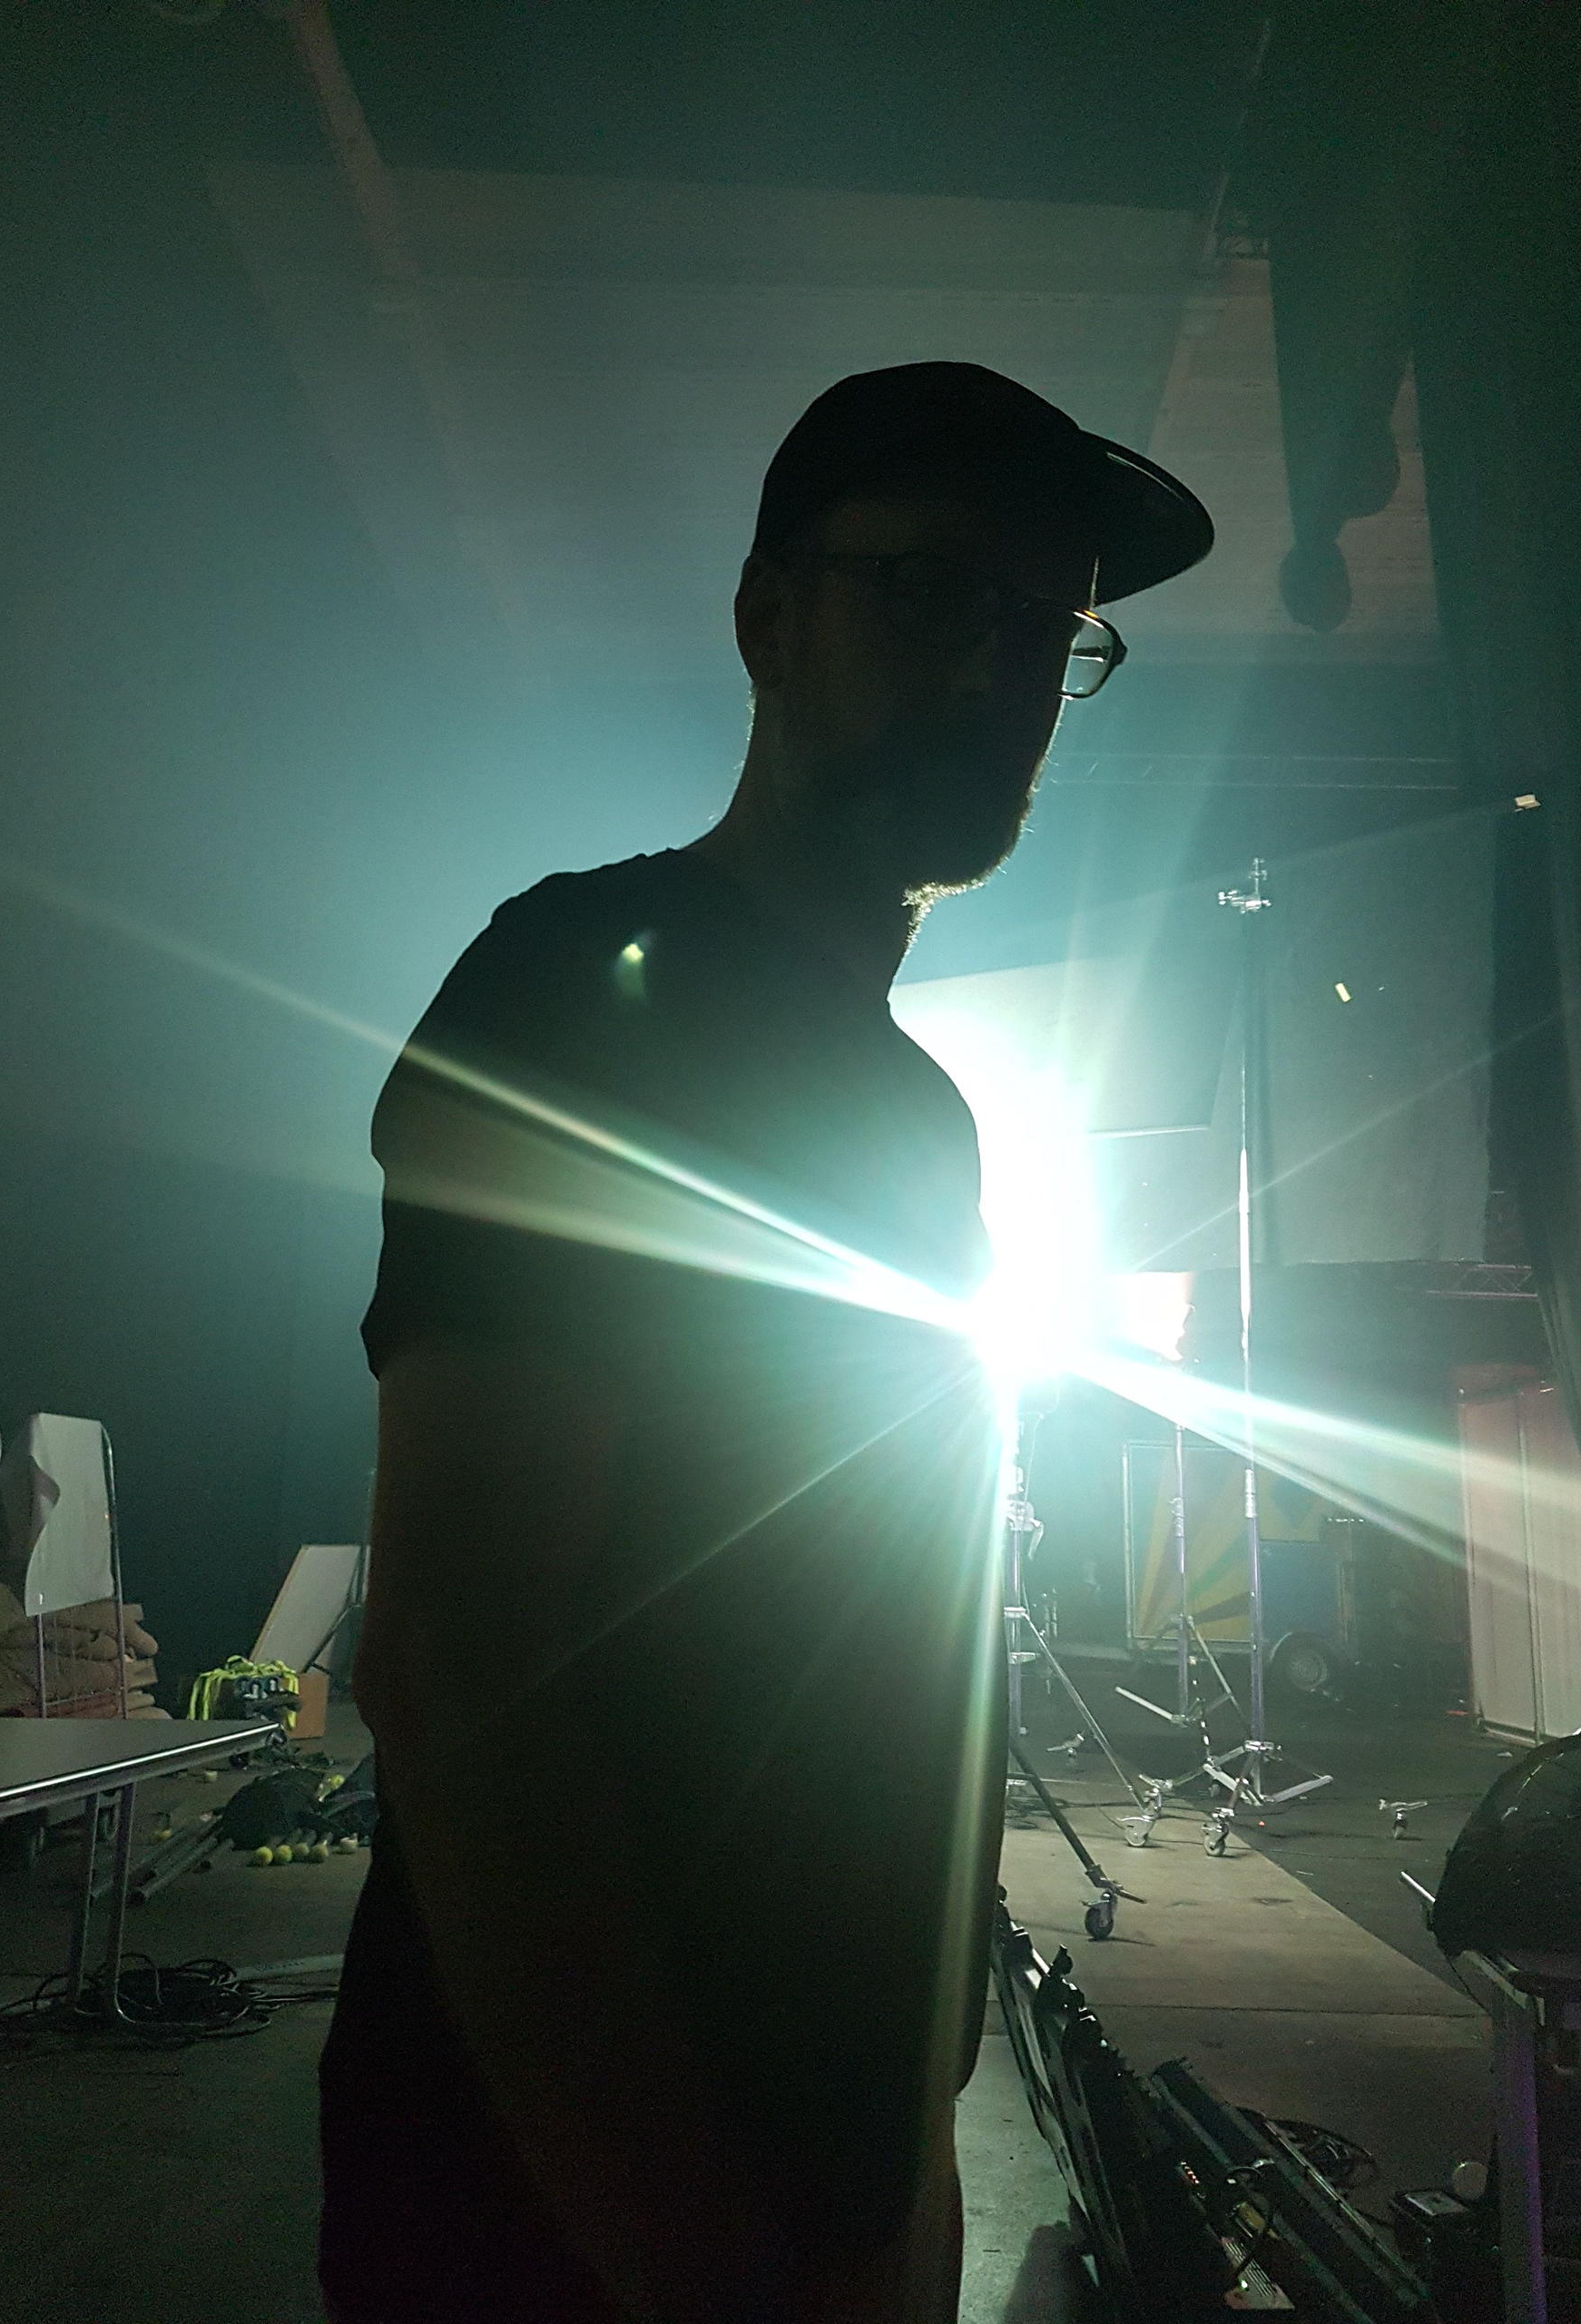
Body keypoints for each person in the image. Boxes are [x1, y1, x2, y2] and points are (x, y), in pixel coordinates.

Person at [318, 361, 1212, 2324]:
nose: (994, 667)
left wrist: (906, 2156)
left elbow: (901, 1658)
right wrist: (701, 2258)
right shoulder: (584, 990)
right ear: (767, 618)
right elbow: (463, 1661)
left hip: (821, 2170)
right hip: (563, 2214)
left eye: (1044, 629)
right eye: (931, 592)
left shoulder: (918, 1116)